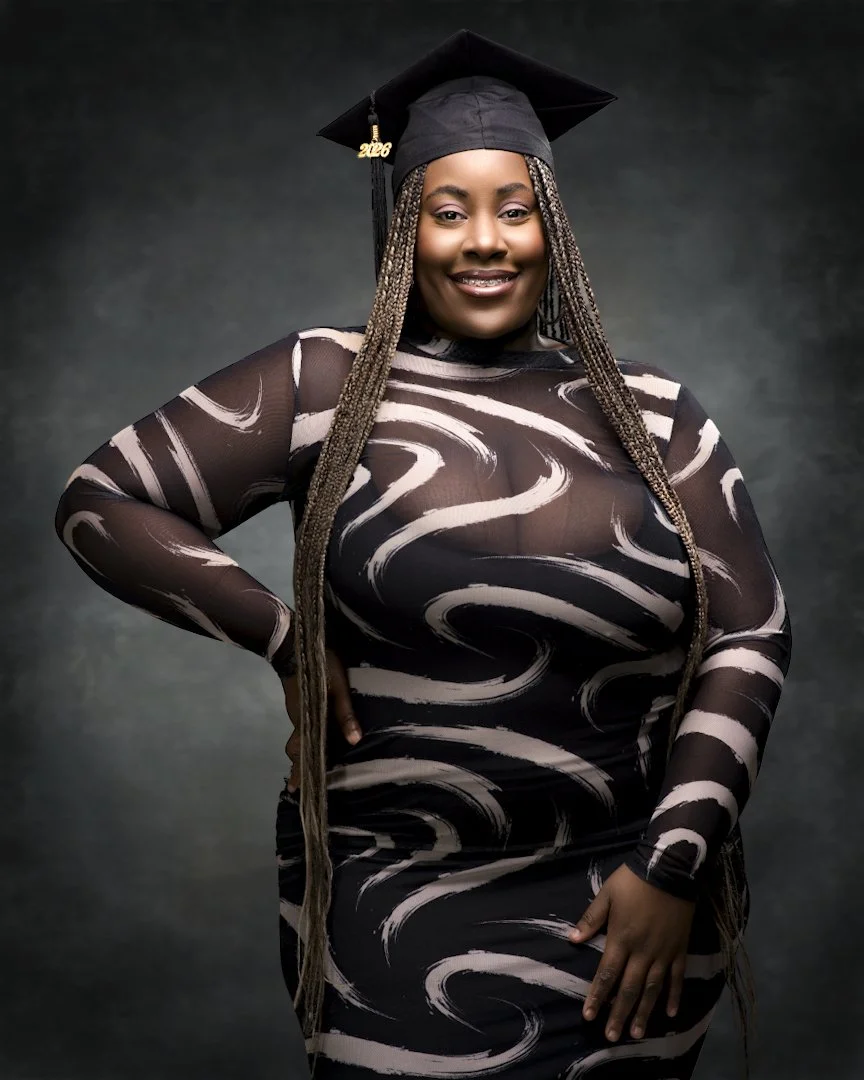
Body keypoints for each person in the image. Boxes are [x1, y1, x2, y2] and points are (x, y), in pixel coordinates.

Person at [54, 29, 792, 1080]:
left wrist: (674, 862)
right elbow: (103, 502)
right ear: (406, 226)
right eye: (449, 212)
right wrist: (284, 637)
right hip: (392, 908)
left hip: (631, 911)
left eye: (514, 209)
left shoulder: (657, 414)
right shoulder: (323, 383)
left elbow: (752, 633)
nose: (485, 241)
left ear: (552, 226)